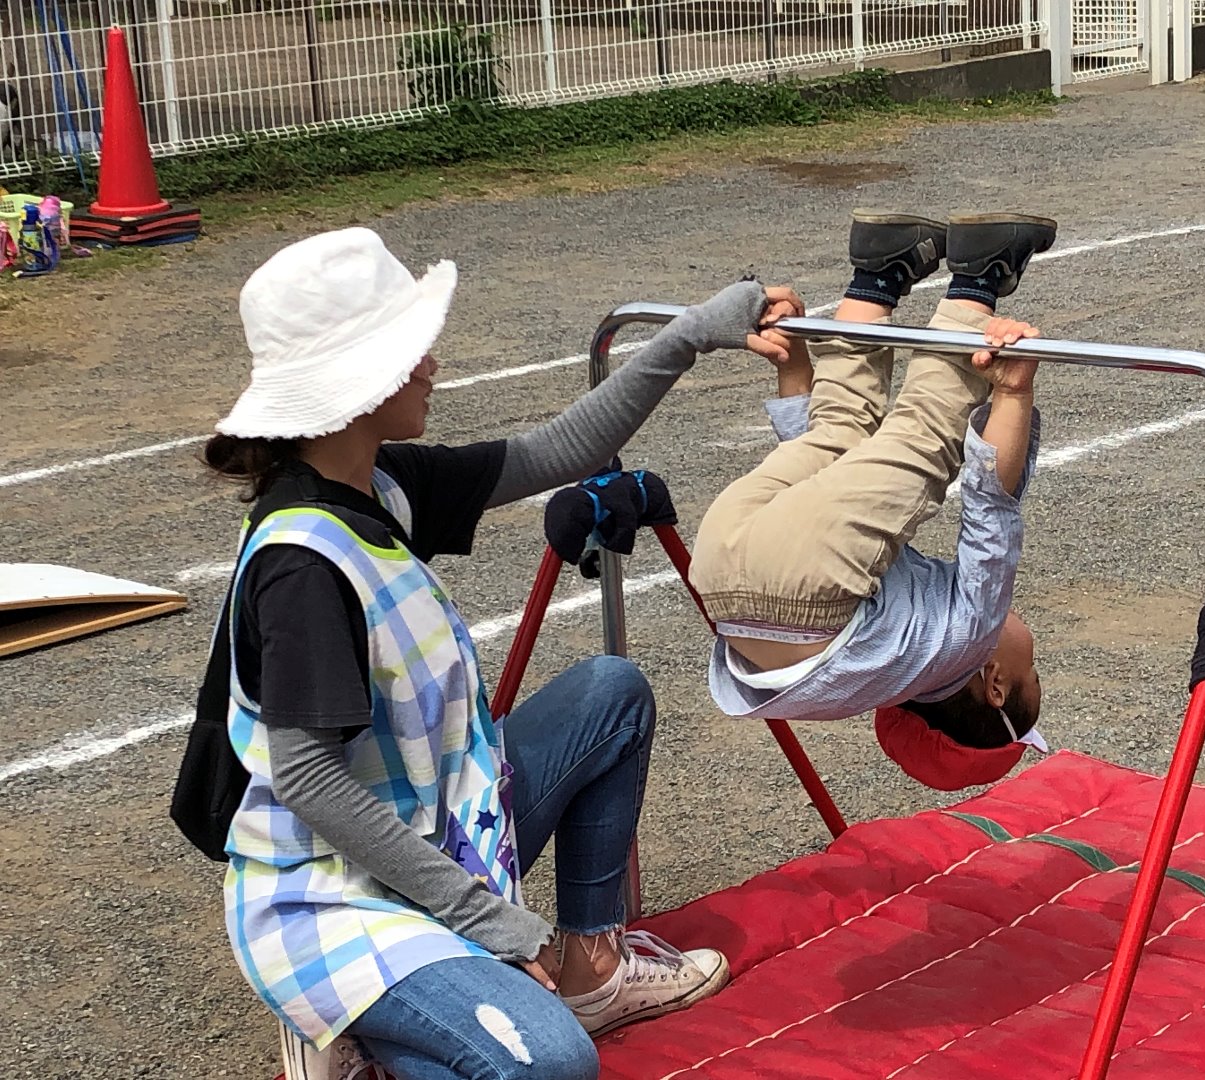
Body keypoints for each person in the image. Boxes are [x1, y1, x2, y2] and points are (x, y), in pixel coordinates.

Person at [204, 226, 800, 1080]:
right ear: (360, 382)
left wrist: (686, 335)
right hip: (334, 896)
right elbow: (306, 779)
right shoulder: (302, 565)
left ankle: (589, 969)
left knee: (610, 691)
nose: (432, 363)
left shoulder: (377, 481)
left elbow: (559, 450)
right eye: (412, 350)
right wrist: (487, 918)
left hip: (433, 832)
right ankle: (359, 1026)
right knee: (548, 1063)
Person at [689, 209, 1055, 757]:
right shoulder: (893, 649)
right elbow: (825, 494)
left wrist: (1011, 393)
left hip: (808, 599)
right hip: (718, 568)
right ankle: (877, 270)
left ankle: (982, 273)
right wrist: (793, 362)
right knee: (842, 434)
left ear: (996, 684)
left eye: (1035, 671)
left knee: (925, 435)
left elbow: (990, 508)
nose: (1034, 653)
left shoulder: (969, 641)